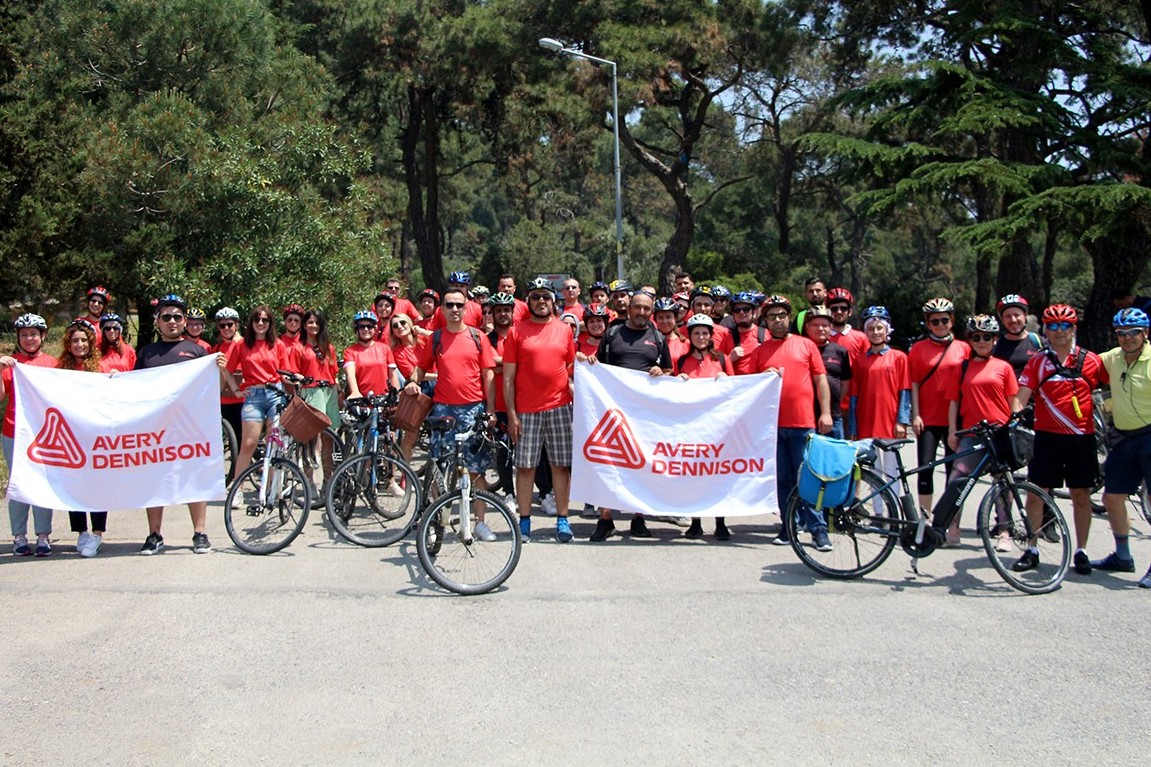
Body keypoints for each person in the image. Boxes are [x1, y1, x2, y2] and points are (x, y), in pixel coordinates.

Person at [135, 294, 230, 554]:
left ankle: (200, 533)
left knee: (193, 478)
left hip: (189, 428)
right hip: (155, 429)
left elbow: (216, 391)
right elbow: (132, 389)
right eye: (166, 317)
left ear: (185, 321)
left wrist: (221, 369)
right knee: (154, 480)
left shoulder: (199, 352)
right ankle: (155, 534)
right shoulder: (146, 352)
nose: (172, 321)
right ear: (157, 321)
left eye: (177, 317)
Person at [1013, 304, 1103, 574]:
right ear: (1045, 330)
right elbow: (1021, 396)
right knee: (1038, 494)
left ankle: (1082, 551)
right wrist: (1018, 415)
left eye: (1065, 326)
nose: (1059, 331)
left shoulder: (1091, 360)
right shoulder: (1038, 361)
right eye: (1053, 326)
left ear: (1074, 328)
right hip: (1047, 438)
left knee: (1081, 495)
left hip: (1081, 439)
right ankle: (1032, 548)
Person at [404, 288, 500, 541]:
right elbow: (421, 368)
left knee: (476, 470)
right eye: (449, 305)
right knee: (439, 465)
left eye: (459, 305)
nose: (455, 309)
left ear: (466, 308)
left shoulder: (478, 337)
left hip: (473, 409)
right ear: (442, 309)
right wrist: (412, 382)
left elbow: (488, 374)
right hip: (443, 411)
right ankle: (438, 520)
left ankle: (479, 522)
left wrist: (490, 410)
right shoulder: (436, 338)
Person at [746, 295, 834, 549]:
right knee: (783, 480)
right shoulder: (759, 352)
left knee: (809, 478)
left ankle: (818, 529)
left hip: (803, 423)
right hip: (773, 428)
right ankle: (788, 526)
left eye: (782, 315)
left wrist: (825, 412)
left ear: (789, 317)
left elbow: (820, 380)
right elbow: (748, 388)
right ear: (765, 321)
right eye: (772, 317)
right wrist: (762, 376)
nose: (778, 321)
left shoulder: (806, 346)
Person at [585, 291, 671, 541]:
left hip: (645, 414)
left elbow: (668, 371)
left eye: (646, 309)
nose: (642, 313)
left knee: (641, 463)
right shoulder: (612, 334)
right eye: (638, 308)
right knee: (611, 464)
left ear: (651, 310)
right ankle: (605, 519)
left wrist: (660, 372)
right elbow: (597, 366)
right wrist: (586, 361)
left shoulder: (657, 337)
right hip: (614, 412)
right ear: (629, 308)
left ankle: (638, 517)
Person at [931, 315, 1020, 546]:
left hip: (999, 432)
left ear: (995, 339)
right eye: (977, 337)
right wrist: (952, 431)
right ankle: (952, 529)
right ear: (970, 340)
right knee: (956, 480)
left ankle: (1004, 532)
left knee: (1003, 484)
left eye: (987, 337)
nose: (982, 341)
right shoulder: (962, 368)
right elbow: (953, 402)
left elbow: (1013, 401)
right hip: (971, 434)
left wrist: (1015, 427)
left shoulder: (1004, 367)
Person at [504, 279, 577, 543]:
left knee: (560, 466)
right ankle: (524, 522)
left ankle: (562, 519)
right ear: (528, 301)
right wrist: (511, 415)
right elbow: (508, 378)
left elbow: (571, 368)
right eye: (535, 297)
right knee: (525, 468)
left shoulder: (564, 330)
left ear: (553, 300)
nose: (541, 302)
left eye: (545, 297)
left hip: (559, 408)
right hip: (526, 410)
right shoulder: (516, 332)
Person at [1093, 308, 1151, 586]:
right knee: (1112, 497)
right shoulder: (1113, 358)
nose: (1127, 338)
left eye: (1133, 332)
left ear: (1145, 333)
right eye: (1121, 333)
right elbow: (1082, 363)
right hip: (1125, 438)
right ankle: (1123, 556)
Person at [0, 313, 57, 556]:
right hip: (14, 431)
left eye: (33, 334)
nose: (29, 339)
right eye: (24, 335)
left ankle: (43, 535)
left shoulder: (53, 364)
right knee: (18, 483)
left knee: (43, 481)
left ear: (42, 336)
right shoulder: (12, 364)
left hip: (43, 432)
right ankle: (19, 535)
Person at [909, 297, 970, 515]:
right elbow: (914, 384)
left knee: (955, 472)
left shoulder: (964, 348)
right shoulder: (918, 349)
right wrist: (915, 414)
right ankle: (924, 519)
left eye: (944, 320)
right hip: (928, 417)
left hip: (956, 418)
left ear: (952, 321)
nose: (940, 325)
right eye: (935, 321)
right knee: (925, 468)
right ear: (928, 324)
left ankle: (949, 522)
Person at [675, 313, 733, 540]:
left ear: (711, 336)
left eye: (705, 333)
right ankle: (696, 522)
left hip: (717, 427)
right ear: (690, 336)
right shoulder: (682, 360)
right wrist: (678, 380)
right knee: (694, 475)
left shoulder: (721, 359)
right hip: (692, 426)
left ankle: (720, 522)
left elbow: (736, 389)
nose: (701, 337)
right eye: (696, 333)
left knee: (717, 473)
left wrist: (725, 379)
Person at [57, 320, 110, 556]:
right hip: (72, 437)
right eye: (75, 340)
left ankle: (97, 533)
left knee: (98, 485)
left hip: (96, 436)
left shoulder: (101, 368)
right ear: (68, 343)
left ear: (91, 343)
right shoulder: (60, 370)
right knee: (75, 485)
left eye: (84, 340)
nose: (79, 345)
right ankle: (81, 533)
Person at [226, 306, 297, 484]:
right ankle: (238, 488)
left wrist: (297, 380)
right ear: (251, 323)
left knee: (273, 443)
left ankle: (271, 488)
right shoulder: (241, 345)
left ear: (270, 323)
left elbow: (285, 372)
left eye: (265, 320)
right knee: (249, 443)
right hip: (253, 396)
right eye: (256, 319)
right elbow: (228, 370)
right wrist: (236, 390)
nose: (260, 323)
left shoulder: (277, 344)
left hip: (275, 393)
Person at [847, 307, 910, 484]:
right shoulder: (859, 361)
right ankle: (878, 510)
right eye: (871, 329)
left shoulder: (899, 357)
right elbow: (854, 396)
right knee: (873, 470)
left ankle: (893, 510)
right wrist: (853, 427)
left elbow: (904, 391)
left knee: (892, 470)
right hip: (866, 420)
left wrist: (901, 421)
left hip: (890, 421)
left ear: (887, 330)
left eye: (879, 328)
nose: (875, 332)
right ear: (865, 332)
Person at [298, 310, 340, 503]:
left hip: (329, 391)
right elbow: (293, 373)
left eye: (316, 323)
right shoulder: (299, 348)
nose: (313, 326)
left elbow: (334, 373)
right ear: (305, 325)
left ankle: (327, 482)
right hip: (311, 391)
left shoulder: (328, 348)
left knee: (329, 439)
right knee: (310, 440)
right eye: (310, 322)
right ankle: (309, 482)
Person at [486, 293, 517, 505]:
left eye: (507, 309)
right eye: (499, 310)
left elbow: (525, 363)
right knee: (503, 452)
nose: (503, 314)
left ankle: (544, 493)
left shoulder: (520, 336)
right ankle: (509, 493)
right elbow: (487, 365)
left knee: (531, 451)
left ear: (513, 312)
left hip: (523, 401)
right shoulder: (486, 339)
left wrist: (501, 364)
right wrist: (511, 364)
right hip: (498, 404)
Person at [805, 305, 852, 440]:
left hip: (833, 416)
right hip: (807, 417)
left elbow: (845, 383)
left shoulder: (840, 351)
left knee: (835, 458)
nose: (820, 328)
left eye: (824, 325)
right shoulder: (800, 348)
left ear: (830, 327)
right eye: (815, 325)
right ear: (807, 327)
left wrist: (834, 400)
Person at [343, 310, 401, 400]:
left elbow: (392, 375)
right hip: (362, 400)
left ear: (375, 329)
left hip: (384, 399)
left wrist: (396, 395)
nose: (366, 329)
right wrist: (355, 392)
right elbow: (350, 374)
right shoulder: (350, 351)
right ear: (356, 330)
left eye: (369, 326)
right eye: (362, 327)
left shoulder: (385, 348)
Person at [213, 307, 244, 448]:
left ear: (236, 325)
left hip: (244, 397)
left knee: (246, 439)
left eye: (230, 324)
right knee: (234, 442)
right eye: (222, 325)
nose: (226, 328)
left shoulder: (244, 344)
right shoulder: (217, 348)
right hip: (225, 399)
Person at [993, 294, 1043, 377]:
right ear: (1002, 320)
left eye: (1017, 315)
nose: (1013, 320)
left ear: (1025, 316)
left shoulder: (1038, 342)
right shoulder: (996, 346)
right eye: (1008, 316)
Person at [724, 292, 766, 376]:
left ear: (753, 312)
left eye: (746, 309)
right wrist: (729, 359)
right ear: (733, 314)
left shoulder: (765, 335)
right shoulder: (726, 339)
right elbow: (716, 367)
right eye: (737, 310)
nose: (741, 312)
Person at [653, 297, 689, 362]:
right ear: (655, 320)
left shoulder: (685, 344)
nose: (665, 321)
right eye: (660, 317)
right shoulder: (649, 342)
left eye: (668, 317)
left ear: (675, 318)